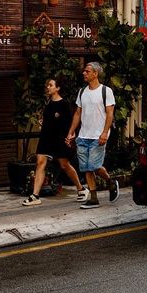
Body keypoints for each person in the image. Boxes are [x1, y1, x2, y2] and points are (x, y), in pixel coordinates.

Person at [22, 78, 88, 207]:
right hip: (46, 137)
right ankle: (35, 196)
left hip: (59, 138)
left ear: (57, 88)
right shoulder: (48, 103)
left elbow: (69, 123)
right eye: (47, 85)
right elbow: (48, 119)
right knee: (40, 162)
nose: (48, 87)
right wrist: (43, 123)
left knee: (64, 165)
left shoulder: (64, 104)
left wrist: (70, 135)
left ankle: (81, 189)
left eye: (51, 85)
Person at [66, 61, 119, 209]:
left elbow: (110, 114)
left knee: (95, 166)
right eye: (84, 71)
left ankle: (110, 182)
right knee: (86, 168)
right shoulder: (82, 92)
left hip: (98, 136)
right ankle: (94, 198)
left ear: (96, 73)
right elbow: (78, 113)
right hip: (83, 136)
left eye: (87, 71)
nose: (84, 73)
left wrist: (104, 133)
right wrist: (71, 132)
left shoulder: (106, 91)